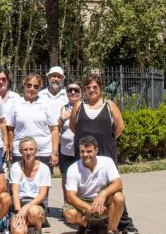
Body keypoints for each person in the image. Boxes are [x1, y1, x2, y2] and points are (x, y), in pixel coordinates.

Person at [70, 75, 136, 233]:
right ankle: (87, 223)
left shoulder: (109, 105)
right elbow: (73, 127)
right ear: (84, 90)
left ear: (100, 88)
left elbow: (119, 128)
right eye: (88, 87)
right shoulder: (79, 106)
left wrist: (104, 142)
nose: (91, 90)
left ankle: (125, 224)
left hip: (106, 153)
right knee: (86, 189)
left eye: (95, 87)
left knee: (114, 190)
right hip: (85, 154)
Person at [63, 136, 126, 234]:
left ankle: (111, 230)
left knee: (119, 197)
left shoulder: (107, 162)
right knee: (70, 214)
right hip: (82, 200)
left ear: (96, 150)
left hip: (101, 200)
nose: (85, 155)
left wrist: (103, 194)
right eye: (82, 151)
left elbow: (118, 184)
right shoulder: (73, 169)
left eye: (89, 151)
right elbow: (70, 197)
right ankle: (85, 224)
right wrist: (90, 208)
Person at [5, 74, 59, 167]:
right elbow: (10, 130)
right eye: (29, 85)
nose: (32, 89)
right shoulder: (15, 104)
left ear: (40, 88)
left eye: (36, 86)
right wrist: (10, 151)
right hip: (20, 152)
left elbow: (54, 130)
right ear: (24, 85)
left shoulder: (46, 104)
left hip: (43, 152)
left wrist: (54, 152)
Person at [8, 137, 51, 234]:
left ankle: (37, 229)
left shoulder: (44, 168)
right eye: (25, 150)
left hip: (37, 204)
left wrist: (26, 207)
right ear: (20, 152)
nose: (28, 153)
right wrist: (18, 212)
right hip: (19, 204)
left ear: (36, 150)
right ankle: (23, 225)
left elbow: (42, 194)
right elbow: (15, 192)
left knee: (33, 211)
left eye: (31, 149)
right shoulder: (15, 167)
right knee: (18, 231)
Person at [58, 81, 83, 188]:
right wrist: (62, 119)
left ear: (82, 93)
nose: (73, 92)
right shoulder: (63, 108)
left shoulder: (85, 107)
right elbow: (56, 129)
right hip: (65, 149)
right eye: (70, 90)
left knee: (82, 177)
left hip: (82, 150)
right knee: (66, 177)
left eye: (76, 90)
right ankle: (66, 202)